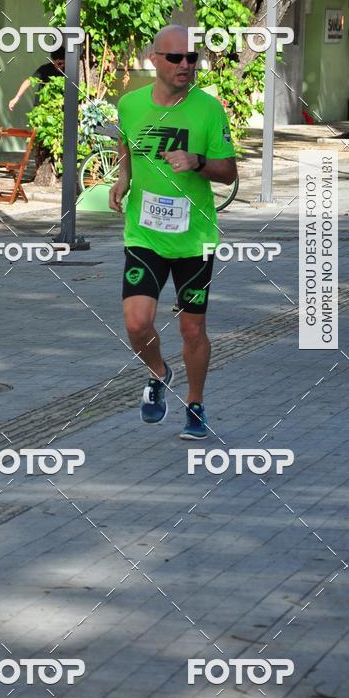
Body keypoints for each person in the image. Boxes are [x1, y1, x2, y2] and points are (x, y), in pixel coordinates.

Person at [109, 25, 237, 439]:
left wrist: (197, 160)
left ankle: (196, 405)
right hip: (145, 233)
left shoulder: (209, 109)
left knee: (191, 328)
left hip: (194, 238)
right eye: (176, 58)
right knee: (135, 322)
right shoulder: (129, 105)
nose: (186, 65)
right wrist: (124, 178)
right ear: (154, 61)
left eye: (192, 58)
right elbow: (127, 143)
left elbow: (229, 172)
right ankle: (159, 372)